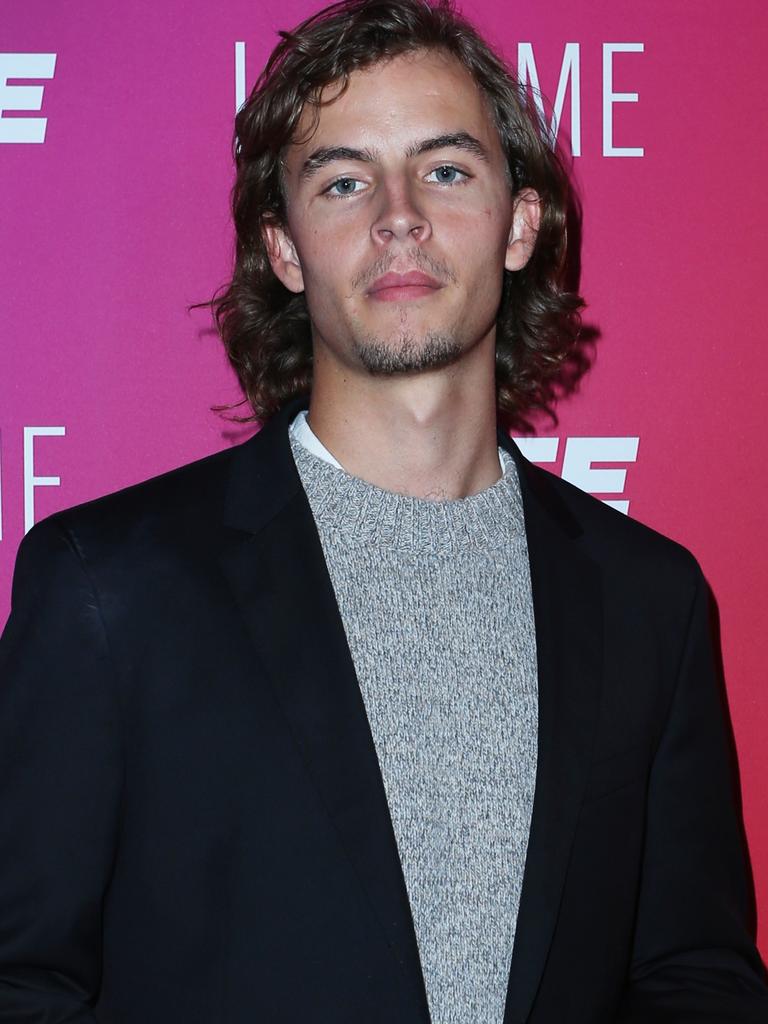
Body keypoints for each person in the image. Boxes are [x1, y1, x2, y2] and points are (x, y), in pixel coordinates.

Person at [1, 0, 766, 1021]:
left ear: (520, 223)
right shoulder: (110, 586)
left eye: (446, 169)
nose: (398, 213)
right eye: (344, 178)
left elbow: (695, 977)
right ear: (284, 249)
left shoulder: (649, 601)